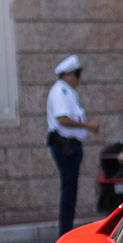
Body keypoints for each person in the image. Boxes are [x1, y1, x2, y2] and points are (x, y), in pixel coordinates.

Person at [46, 55, 95, 233]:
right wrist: (87, 125)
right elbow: (63, 119)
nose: (79, 78)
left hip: (70, 145)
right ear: (67, 75)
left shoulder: (67, 91)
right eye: (77, 74)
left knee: (71, 190)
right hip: (65, 146)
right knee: (69, 191)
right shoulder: (60, 92)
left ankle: (66, 229)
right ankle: (65, 231)